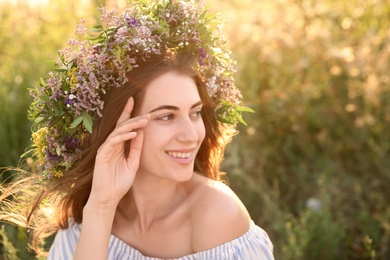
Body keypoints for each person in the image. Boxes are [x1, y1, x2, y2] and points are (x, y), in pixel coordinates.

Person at [1, 0, 273, 259]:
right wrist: (102, 206)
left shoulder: (216, 215)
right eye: (166, 116)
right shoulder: (89, 214)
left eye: (195, 112)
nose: (191, 135)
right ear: (119, 128)